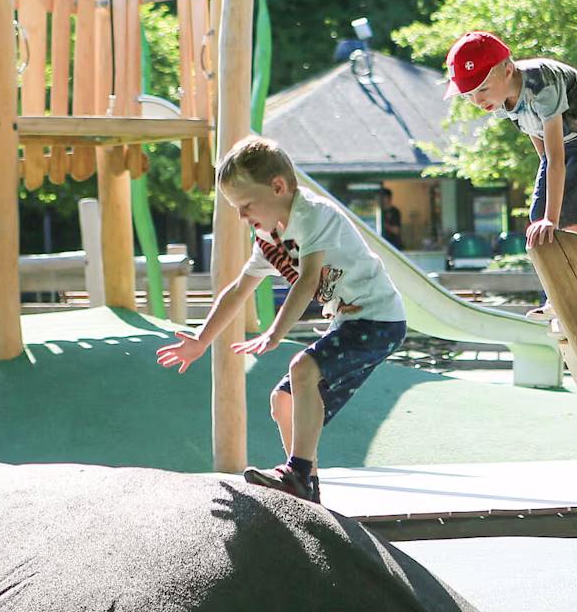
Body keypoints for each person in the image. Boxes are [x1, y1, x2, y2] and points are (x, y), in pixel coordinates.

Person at [156, 136, 406, 504]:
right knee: (283, 400)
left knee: (303, 367)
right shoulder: (269, 237)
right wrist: (201, 339)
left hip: (379, 320)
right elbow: (240, 288)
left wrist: (275, 333)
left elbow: (307, 280)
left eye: (245, 205)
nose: (241, 216)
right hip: (351, 323)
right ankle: (308, 488)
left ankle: (297, 474)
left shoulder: (313, 215)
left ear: (278, 187)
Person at [444, 31, 577, 317]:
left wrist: (553, 216)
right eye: (470, 94)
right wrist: (546, 207)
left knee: (562, 215)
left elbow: (556, 159)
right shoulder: (499, 99)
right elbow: (535, 135)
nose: (477, 100)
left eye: (482, 89)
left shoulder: (542, 86)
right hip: (562, 141)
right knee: (539, 218)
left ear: (509, 71)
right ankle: (560, 296)